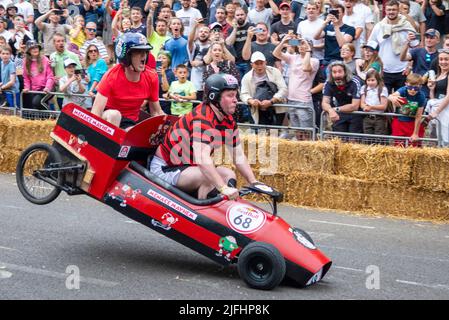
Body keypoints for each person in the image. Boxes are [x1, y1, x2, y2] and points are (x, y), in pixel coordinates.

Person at [150, 73, 260, 200]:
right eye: (230, 95)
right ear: (215, 98)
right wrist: (223, 188)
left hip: (189, 167)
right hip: (166, 168)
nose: (236, 100)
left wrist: (254, 182)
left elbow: (238, 155)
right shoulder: (202, 118)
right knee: (210, 179)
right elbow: (202, 158)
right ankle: (207, 215)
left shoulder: (228, 120)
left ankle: (223, 209)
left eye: (235, 95)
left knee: (229, 174)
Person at [91, 32, 164, 129]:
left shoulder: (152, 77)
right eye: (138, 52)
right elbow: (96, 113)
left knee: (135, 133)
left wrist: (170, 124)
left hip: (130, 123)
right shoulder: (111, 76)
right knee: (114, 115)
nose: (144, 56)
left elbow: (156, 112)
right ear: (126, 56)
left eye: (146, 52)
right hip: (107, 119)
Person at [273, 35, 319, 139]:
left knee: (308, 132)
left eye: (304, 44)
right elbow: (276, 53)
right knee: (297, 132)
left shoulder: (315, 61)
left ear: (310, 47)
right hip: (291, 99)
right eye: (300, 44)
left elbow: (306, 67)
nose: (301, 46)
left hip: (303, 100)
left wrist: (308, 51)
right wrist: (283, 41)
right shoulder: (293, 57)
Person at [368, 0, 415, 94]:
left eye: (394, 9)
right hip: (384, 70)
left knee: (401, 103)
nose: (391, 12)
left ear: (398, 11)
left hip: (402, 70)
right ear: (385, 10)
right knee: (385, 103)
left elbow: (414, 48)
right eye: (389, 10)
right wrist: (374, 65)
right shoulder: (379, 26)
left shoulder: (406, 25)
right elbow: (370, 45)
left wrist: (409, 66)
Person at [240, 51, 287, 125]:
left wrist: (271, 101)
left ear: (265, 62)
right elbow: (243, 94)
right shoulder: (246, 77)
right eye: (256, 63)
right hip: (257, 108)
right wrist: (251, 101)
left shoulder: (275, 72)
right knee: (261, 132)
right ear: (252, 65)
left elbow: (283, 89)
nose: (259, 66)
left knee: (275, 132)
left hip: (275, 106)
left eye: (261, 63)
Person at [321, 61, 362, 133]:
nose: (337, 75)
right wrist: (331, 111)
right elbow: (324, 103)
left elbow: (354, 106)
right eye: (334, 72)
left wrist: (335, 109)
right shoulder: (328, 82)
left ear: (345, 72)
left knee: (354, 140)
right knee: (339, 139)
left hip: (355, 113)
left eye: (340, 72)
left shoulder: (355, 81)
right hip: (340, 113)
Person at [388, 72, 426, 145]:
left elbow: (418, 116)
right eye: (410, 87)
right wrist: (392, 98)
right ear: (406, 84)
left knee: (413, 146)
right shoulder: (403, 90)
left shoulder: (421, 96)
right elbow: (391, 96)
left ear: (420, 87)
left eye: (416, 88)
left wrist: (415, 133)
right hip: (399, 122)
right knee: (399, 146)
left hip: (412, 123)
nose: (412, 90)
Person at [313, 3, 355, 68]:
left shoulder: (350, 29)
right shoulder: (328, 27)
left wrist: (336, 26)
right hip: (327, 60)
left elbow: (342, 44)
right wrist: (325, 22)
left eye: (338, 12)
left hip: (340, 60)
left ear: (343, 14)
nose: (336, 14)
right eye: (333, 12)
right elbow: (315, 37)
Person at [22, 40, 55, 110]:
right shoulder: (25, 62)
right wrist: (27, 87)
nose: (35, 49)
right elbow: (26, 78)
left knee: (37, 102)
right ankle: (44, 119)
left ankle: (52, 115)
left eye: (36, 47)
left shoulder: (45, 59)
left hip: (48, 88)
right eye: (33, 48)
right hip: (35, 89)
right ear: (29, 51)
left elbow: (50, 76)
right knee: (35, 106)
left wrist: (47, 87)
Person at [426, 48, 449, 146]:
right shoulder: (438, 75)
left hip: (445, 112)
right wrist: (431, 89)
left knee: (445, 141)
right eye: (441, 59)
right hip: (436, 112)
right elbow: (434, 99)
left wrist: (436, 112)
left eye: (446, 59)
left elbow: (448, 96)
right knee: (434, 140)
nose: (443, 62)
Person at [225, 6, 254, 79]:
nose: (240, 17)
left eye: (242, 15)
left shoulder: (252, 26)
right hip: (237, 62)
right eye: (237, 15)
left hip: (250, 61)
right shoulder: (231, 29)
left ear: (246, 15)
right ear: (234, 17)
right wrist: (235, 28)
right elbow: (229, 43)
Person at [360, 69, 389, 136]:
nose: (370, 82)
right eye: (368, 80)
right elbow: (362, 103)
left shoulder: (382, 89)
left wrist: (370, 107)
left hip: (379, 117)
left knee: (379, 136)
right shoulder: (364, 88)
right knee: (367, 136)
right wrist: (365, 107)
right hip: (367, 117)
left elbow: (383, 106)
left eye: (372, 80)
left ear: (377, 80)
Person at [156, 50, 175, 114]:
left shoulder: (170, 73)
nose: (161, 60)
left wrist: (163, 74)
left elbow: (165, 89)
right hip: (153, 103)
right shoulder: (153, 72)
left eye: (164, 58)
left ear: (168, 61)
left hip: (164, 104)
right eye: (159, 58)